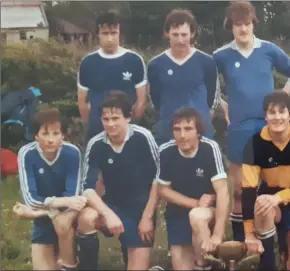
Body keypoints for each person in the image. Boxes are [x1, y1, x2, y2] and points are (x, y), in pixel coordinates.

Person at [212, 0, 290, 243]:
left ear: (254, 24)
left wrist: (284, 96)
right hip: (239, 129)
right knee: (241, 191)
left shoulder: (269, 50)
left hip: (270, 128)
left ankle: (278, 239)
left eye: (247, 23)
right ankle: (241, 245)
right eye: (237, 24)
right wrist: (221, 103)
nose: (243, 29)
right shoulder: (220, 56)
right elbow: (207, 85)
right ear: (230, 26)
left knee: (274, 186)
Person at [75, 91, 160, 270]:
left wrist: (147, 217)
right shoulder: (96, 144)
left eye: (116, 118)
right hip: (111, 205)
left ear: (128, 117)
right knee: (87, 218)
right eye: (106, 119)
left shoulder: (143, 137)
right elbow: (87, 189)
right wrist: (107, 214)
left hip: (140, 209)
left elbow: (158, 180)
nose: (110, 124)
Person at [241, 91, 290, 270]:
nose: (277, 117)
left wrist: (279, 197)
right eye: (272, 112)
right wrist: (249, 233)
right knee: (261, 202)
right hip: (269, 206)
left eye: (282, 112)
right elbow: (248, 190)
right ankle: (268, 261)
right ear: (265, 116)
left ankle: (284, 250)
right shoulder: (254, 144)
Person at [156, 107, 229, 270]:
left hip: (207, 211)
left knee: (196, 216)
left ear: (198, 132)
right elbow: (163, 190)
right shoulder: (166, 151)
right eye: (177, 129)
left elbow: (223, 191)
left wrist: (218, 234)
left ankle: (207, 262)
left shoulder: (210, 148)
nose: (182, 135)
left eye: (188, 129)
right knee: (181, 265)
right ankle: (205, 261)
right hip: (178, 212)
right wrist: (195, 202)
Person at [16, 108, 85, 270]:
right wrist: (53, 206)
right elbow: (30, 198)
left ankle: (70, 261)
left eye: (56, 133)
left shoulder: (72, 153)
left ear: (63, 135)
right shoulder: (26, 154)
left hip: (67, 217)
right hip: (43, 221)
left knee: (62, 225)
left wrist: (32, 212)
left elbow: (72, 196)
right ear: (35, 135)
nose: (51, 140)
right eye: (45, 134)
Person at [148, 9, 219, 145]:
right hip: (168, 133)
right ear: (167, 34)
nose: (180, 40)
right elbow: (155, 100)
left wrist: (200, 117)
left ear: (192, 34)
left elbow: (212, 99)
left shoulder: (207, 62)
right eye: (175, 34)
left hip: (201, 133)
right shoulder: (155, 65)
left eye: (184, 34)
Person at [77, 11, 148, 141]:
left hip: (128, 134)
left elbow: (141, 101)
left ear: (120, 33)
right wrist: (93, 123)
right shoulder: (87, 63)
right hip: (96, 133)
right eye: (105, 33)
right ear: (97, 34)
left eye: (113, 33)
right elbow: (82, 103)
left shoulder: (134, 60)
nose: (110, 38)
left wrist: (131, 125)